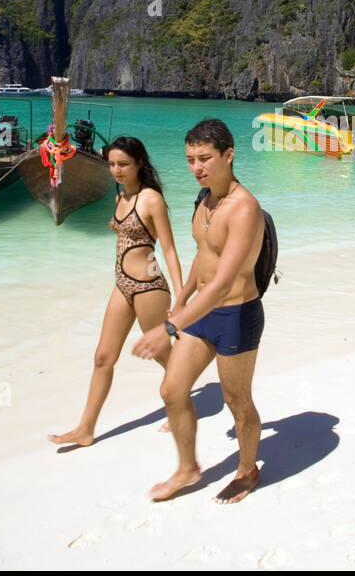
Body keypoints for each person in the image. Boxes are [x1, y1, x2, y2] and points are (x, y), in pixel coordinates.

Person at [133, 118, 266, 504]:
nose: (196, 168)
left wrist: (170, 326)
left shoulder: (244, 209)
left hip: (236, 316)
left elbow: (224, 282)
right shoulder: (204, 198)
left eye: (205, 158)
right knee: (172, 390)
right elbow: (204, 256)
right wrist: (182, 297)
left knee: (237, 402)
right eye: (190, 159)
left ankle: (247, 470)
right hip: (200, 312)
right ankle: (188, 468)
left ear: (229, 155)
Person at [48, 137, 184, 447]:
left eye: (123, 164)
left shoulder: (151, 200)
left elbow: (170, 250)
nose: (116, 170)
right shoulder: (119, 198)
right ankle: (86, 429)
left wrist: (180, 297)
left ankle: (180, 406)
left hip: (149, 288)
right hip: (121, 285)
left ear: (139, 163)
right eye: (111, 164)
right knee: (102, 357)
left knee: (163, 356)